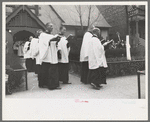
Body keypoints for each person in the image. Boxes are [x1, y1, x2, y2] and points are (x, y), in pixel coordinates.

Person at [39, 23, 61, 90]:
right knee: (47, 71)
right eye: (50, 26)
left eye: (52, 26)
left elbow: (53, 44)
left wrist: (57, 41)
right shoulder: (42, 35)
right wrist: (51, 40)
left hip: (52, 54)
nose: (52, 27)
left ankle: (52, 84)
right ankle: (48, 85)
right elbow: (44, 44)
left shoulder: (51, 35)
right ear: (46, 27)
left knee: (52, 70)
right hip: (47, 55)